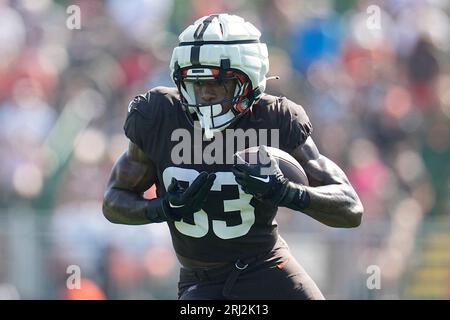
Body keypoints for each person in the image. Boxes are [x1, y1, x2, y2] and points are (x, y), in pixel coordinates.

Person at [102, 13, 363, 300]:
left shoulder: (274, 117)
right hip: (202, 280)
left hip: (268, 266)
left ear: (249, 80)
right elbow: (113, 201)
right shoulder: (159, 115)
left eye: (218, 83)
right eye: (196, 83)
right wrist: (162, 208)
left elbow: (350, 209)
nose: (205, 94)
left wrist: (287, 193)